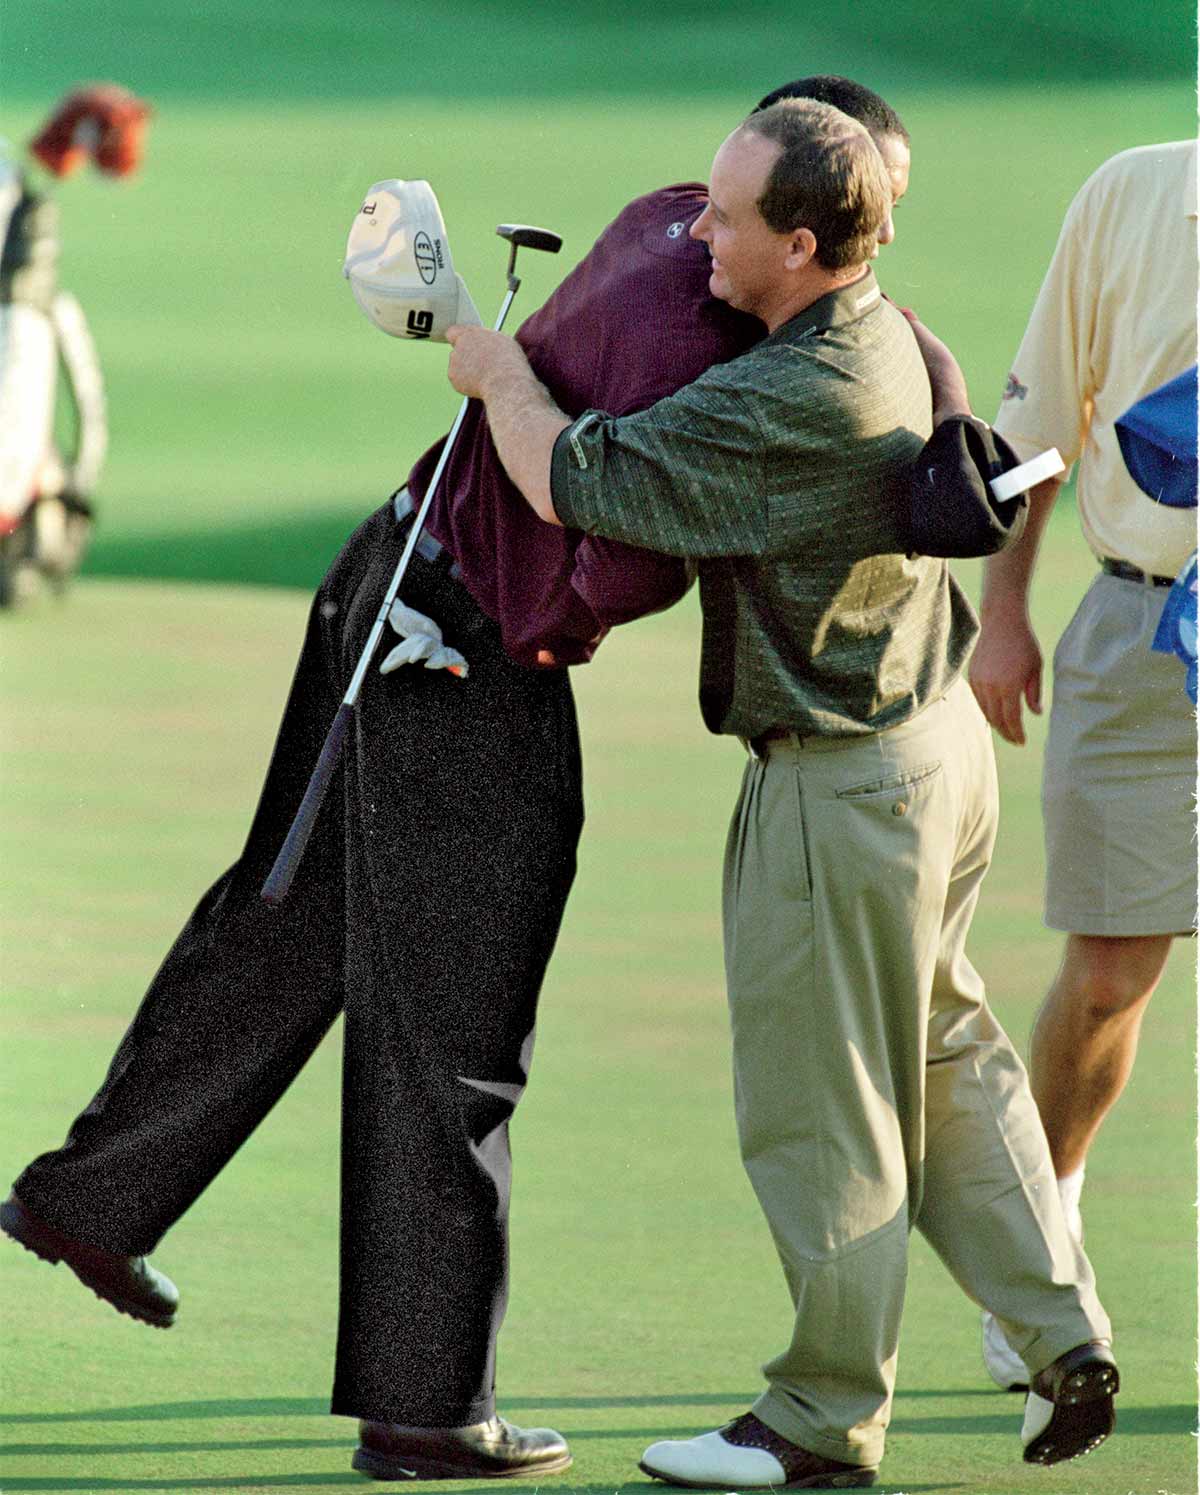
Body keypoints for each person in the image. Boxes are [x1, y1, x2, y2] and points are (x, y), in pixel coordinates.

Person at [2, 77, 1007, 1486]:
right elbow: (596, 516)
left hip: (394, 573)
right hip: (456, 647)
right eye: (729, 208)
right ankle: (425, 1406)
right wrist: (522, 391)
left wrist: (940, 421)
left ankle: (90, 1197)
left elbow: (901, 343)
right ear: (818, 240)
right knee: (455, 1016)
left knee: (294, 913)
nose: (707, 224)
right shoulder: (738, 368)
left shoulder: (701, 237)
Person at [445, 98, 1117, 1487]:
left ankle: (820, 1420)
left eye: (727, 216)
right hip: (936, 760)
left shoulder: (785, 399)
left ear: (802, 245)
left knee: (828, 1109)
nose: (697, 228)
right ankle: (1065, 1332)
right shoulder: (873, 328)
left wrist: (497, 371)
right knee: (946, 1058)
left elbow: (579, 482)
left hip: (842, 783)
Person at [967, 139, 1198, 1391]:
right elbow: (1039, 424)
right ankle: (1040, 1267)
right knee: (1110, 973)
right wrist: (1003, 611)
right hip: (1141, 617)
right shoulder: (1133, 194)